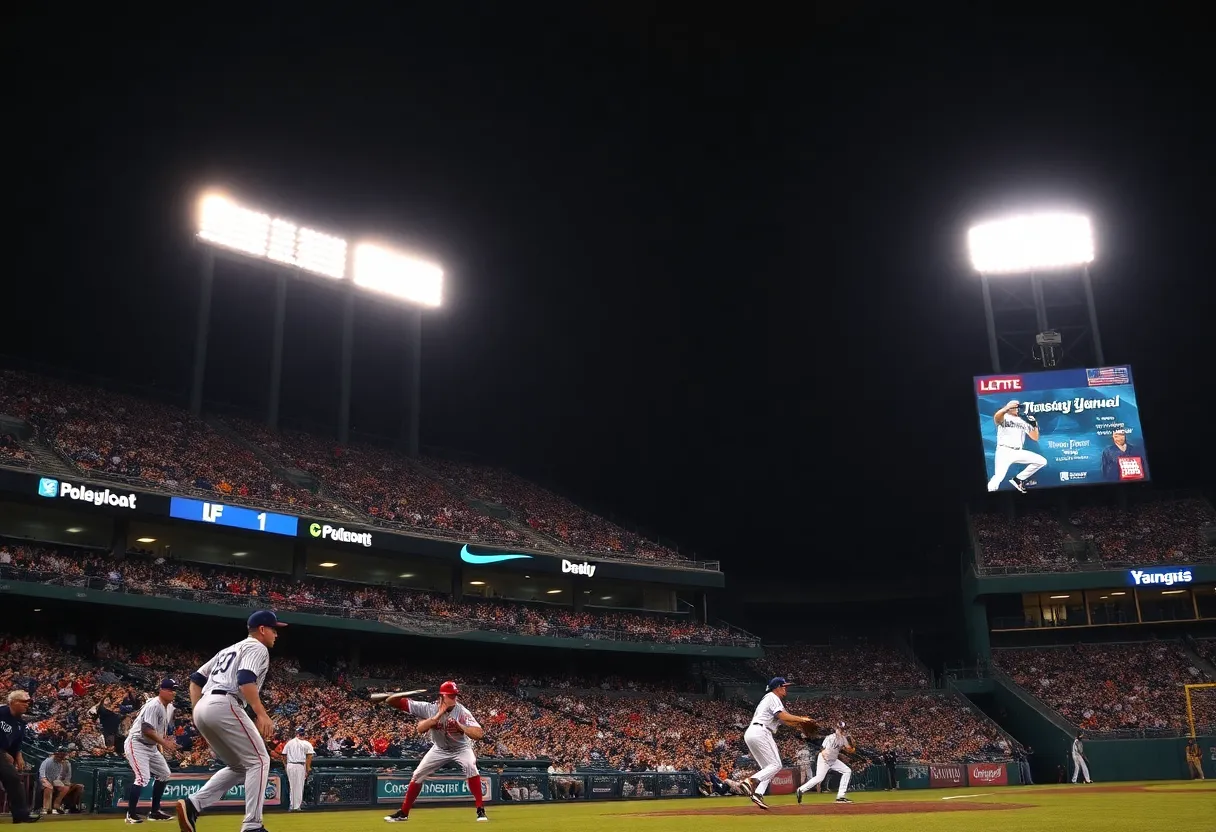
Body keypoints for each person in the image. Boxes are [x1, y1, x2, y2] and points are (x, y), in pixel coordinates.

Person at [176, 610, 286, 832]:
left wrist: (198, 711)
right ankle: (253, 825)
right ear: (262, 630)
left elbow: (195, 680)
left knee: (239, 766)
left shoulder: (228, 649)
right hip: (225, 702)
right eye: (274, 629)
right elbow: (246, 679)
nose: (277, 634)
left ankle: (193, 804)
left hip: (205, 705)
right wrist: (261, 713)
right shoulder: (257, 647)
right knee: (260, 761)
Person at [381, 681, 488, 823]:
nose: (454, 699)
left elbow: (479, 734)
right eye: (450, 696)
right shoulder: (429, 708)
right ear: (441, 697)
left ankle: (480, 810)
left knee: (470, 766)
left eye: (455, 696)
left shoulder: (462, 712)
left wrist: (461, 727)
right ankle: (404, 813)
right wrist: (436, 716)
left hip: (461, 749)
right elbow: (398, 706)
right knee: (417, 774)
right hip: (439, 748)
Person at [740, 677, 816, 810]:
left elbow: (786, 721)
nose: (785, 688)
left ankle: (758, 794)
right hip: (762, 732)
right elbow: (783, 716)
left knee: (768, 769)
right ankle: (750, 781)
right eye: (783, 686)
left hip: (752, 732)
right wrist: (802, 719)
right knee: (776, 765)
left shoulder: (770, 699)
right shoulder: (773, 697)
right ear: (777, 688)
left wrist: (800, 723)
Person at [124, 679, 180, 823]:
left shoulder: (168, 707)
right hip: (137, 743)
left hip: (151, 746)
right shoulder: (154, 705)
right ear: (161, 690)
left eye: (174, 689)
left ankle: (154, 812)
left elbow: (158, 732)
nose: (173, 692)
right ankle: (131, 814)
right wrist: (165, 744)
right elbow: (147, 730)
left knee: (164, 774)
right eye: (169, 689)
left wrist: (163, 745)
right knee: (142, 778)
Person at [986, 400, 1046, 493]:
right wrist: (1006, 408)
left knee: (1041, 461)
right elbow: (996, 418)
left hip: (1018, 451)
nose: (1017, 409)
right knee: (998, 477)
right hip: (1004, 451)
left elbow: (1035, 437)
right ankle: (988, 493)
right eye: (1015, 407)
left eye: (1018, 407)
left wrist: (1034, 424)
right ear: (1009, 408)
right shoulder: (1004, 416)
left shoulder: (1023, 420)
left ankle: (1018, 479)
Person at [1, 690, 40, 824]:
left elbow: (16, 743)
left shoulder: (20, 723)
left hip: (3, 753)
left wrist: (18, 756)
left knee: (14, 780)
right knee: (13, 779)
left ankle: (21, 815)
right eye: (23, 702)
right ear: (13, 702)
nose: (27, 705)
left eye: (28, 702)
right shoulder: (1, 712)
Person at [796, 721, 856, 804]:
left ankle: (840, 796)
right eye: (840, 728)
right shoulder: (830, 737)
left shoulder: (843, 739)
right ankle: (800, 790)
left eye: (842, 729)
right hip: (824, 760)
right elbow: (822, 749)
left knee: (847, 771)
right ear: (836, 728)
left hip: (833, 760)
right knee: (819, 778)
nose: (841, 730)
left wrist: (853, 746)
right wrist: (825, 758)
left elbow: (849, 750)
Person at [38, 747, 83, 815]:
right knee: (49, 787)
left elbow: (59, 777)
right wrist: (46, 781)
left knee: (65, 788)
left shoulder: (61, 764)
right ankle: (46, 809)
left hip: (54, 781)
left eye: (63, 755)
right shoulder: (48, 761)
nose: (62, 757)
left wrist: (57, 783)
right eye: (61, 754)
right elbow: (42, 774)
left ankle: (57, 806)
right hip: (43, 780)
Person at [282, 727, 314, 811]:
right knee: (299, 786)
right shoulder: (306, 743)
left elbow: (284, 755)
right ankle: (296, 806)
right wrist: (307, 768)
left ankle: (292, 806)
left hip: (291, 765)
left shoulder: (289, 743)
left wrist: (286, 765)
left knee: (293, 786)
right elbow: (309, 756)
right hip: (299, 765)